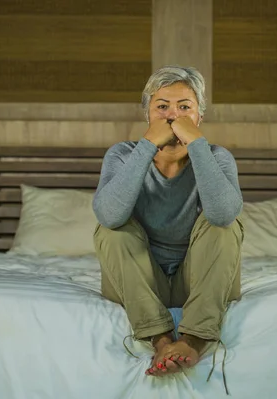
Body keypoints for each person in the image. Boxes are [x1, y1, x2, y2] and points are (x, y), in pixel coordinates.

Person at [92, 65, 244, 377]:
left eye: (184, 107)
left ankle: (193, 340)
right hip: (139, 280)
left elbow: (223, 215)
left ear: (199, 117)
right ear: (147, 115)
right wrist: (147, 146)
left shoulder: (217, 156)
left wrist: (197, 144)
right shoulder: (122, 155)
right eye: (162, 107)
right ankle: (160, 340)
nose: (172, 116)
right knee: (112, 231)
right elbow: (109, 215)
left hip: (199, 281)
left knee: (225, 227)